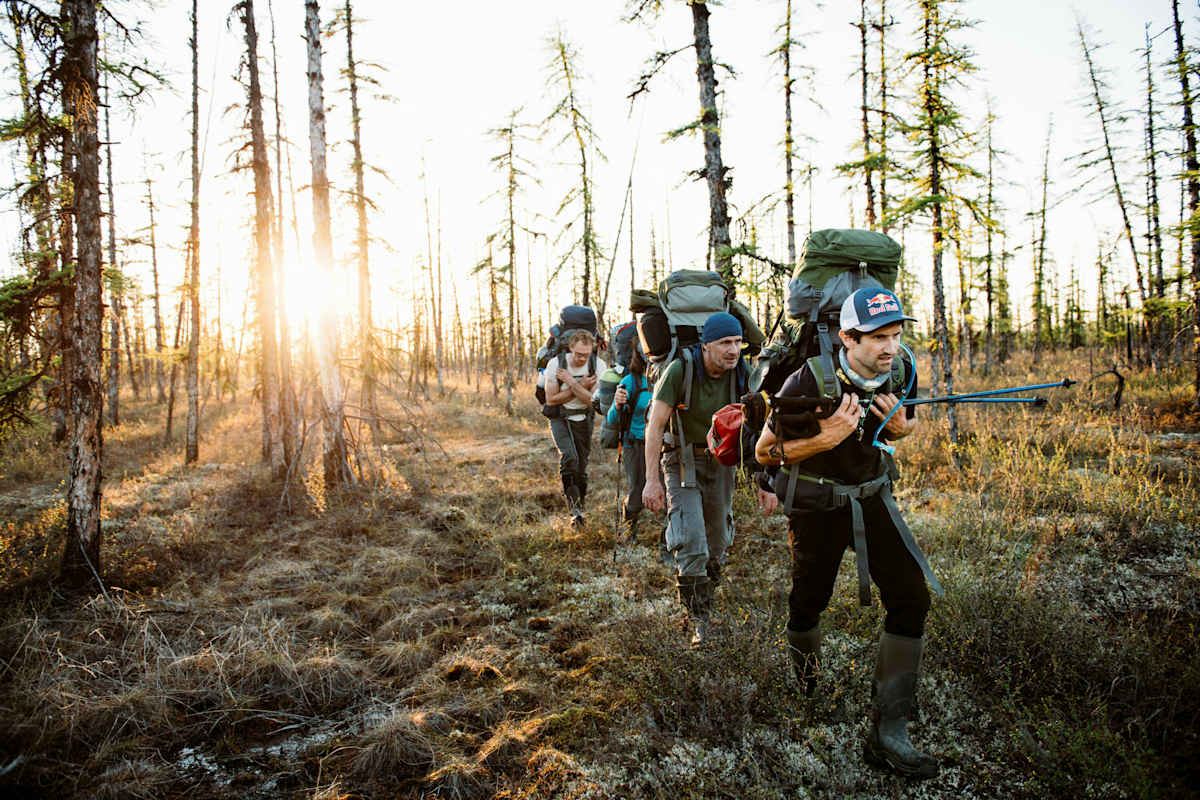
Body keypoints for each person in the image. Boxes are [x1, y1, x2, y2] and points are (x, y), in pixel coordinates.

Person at [754, 287, 942, 779]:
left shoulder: (902, 369)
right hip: (816, 506)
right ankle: (808, 691)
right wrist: (826, 438)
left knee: (911, 598)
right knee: (808, 602)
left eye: (896, 335)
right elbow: (764, 453)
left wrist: (901, 430)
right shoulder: (807, 380)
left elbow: (904, 426)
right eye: (878, 337)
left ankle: (889, 731)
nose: (889, 347)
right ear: (847, 337)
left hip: (874, 497)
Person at [643, 312, 778, 645]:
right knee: (692, 541)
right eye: (724, 343)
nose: (733, 350)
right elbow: (655, 426)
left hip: (722, 463)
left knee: (716, 545)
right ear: (705, 346)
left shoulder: (743, 375)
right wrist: (651, 480)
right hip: (682, 461)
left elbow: (756, 432)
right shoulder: (680, 370)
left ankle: (705, 601)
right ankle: (699, 622)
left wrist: (765, 482)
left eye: (737, 342)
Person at [544, 329, 606, 527]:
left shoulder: (598, 365)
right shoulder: (556, 364)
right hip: (560, 418)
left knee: (581, 465)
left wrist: (571, 382)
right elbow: (551, 399)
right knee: (570, 457)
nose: (581, 359)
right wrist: (581, 386)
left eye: (586, 355)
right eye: (578, 354)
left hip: (584, 419)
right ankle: (574, 509)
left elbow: (593, 403)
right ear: (570, 348)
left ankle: (581, 510)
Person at [608, 345, 653, 540]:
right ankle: (629, 528)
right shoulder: (630, 381)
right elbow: (612, 420)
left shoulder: (666, 376)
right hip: (635, 445)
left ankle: (667, 538)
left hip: (664, 445)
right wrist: (617, 404)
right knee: (637, 489)